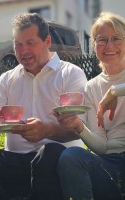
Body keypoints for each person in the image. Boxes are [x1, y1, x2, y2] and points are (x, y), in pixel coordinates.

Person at [0, 13, 87, 200]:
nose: (23, 50)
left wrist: (46, 131)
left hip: (54, 161)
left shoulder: (70, 74)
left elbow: (80, 129)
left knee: (50, 151)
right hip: (15, 160)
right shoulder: (7, 79)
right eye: (18, 44)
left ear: (47, 41)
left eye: (30, 42)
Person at [55, 12, 125, 200]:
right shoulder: (92, 87)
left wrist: (114, 92)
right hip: (111, 163)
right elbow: (103, 148)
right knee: (71, 156)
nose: (109, 46)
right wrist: (79, 127)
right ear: (94, 45)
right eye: (102, 40)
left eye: (116, 38)